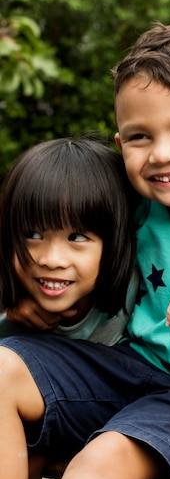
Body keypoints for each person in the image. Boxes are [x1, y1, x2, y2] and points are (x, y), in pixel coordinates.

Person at [0, 23, 170, 479]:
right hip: (122, 369)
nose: (162, 153)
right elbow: (54, 235)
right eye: (139, 137)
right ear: (120, 147)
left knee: (96, 469)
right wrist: (24, 300)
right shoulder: (133, 199)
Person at [0, 137, 136, 345]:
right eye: (33, 235)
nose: (52, 260)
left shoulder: (146, 290)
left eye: (77, 237)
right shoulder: (12, 318)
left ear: (117, 240)